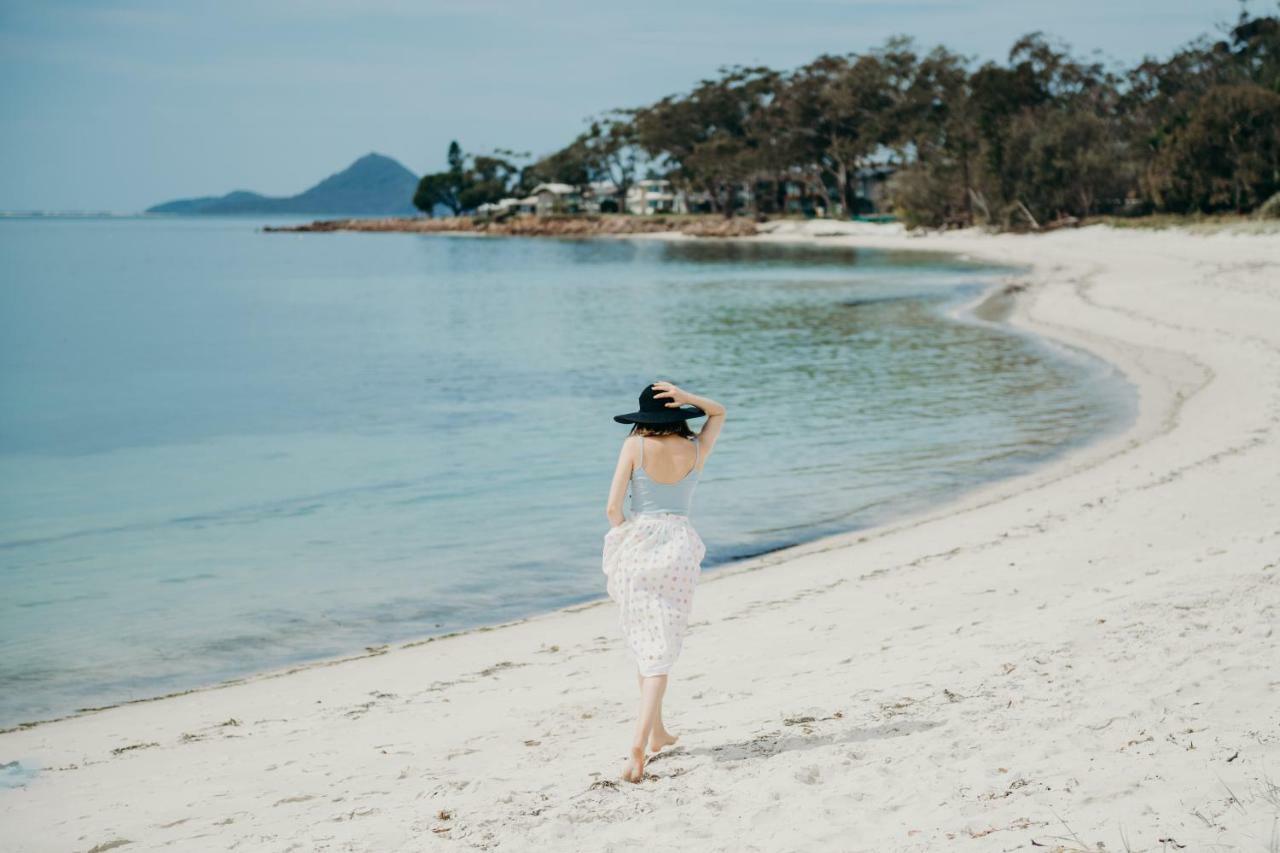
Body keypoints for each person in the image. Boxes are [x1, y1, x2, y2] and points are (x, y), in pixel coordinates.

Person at [603, 380, 726, 783]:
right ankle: (655, 732)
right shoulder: (694, 449)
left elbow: (611, 508)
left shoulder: (634, 447)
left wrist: (625, 535)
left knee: (646, 643)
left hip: (639, 541)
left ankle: (641, 740)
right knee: (659, 644)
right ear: (677, 415)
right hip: (679, 546)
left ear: (643, 419)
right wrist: (690, 399)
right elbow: (719, 412)